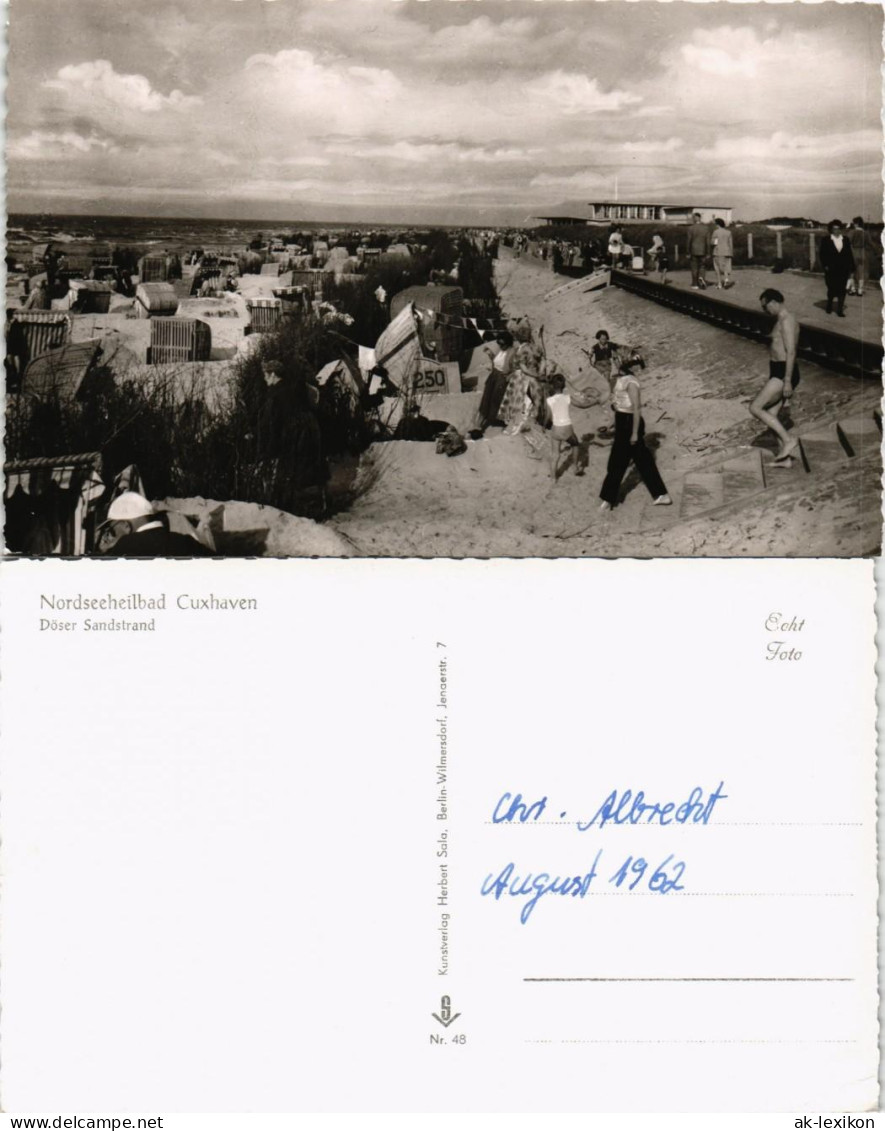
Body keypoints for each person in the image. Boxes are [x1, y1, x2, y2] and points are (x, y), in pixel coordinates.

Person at [599, 356, 671, 511]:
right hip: (622, 421)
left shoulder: (631, 382)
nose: (614, 363)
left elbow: (636, 409)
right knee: (641, 461)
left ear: (623, 365)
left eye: (617, 361)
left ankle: (608, 499)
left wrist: (634, 433)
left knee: (618, 461)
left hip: (630, 423)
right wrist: (613, 422)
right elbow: (620, 405)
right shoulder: (620, 379)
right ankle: (661, 495)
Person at [750, 289, 800, 462]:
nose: (765, 311)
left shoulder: (787, 320)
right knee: (771, 415)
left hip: (783, 371)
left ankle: (788, 440)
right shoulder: (780, 319)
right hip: (778, 370)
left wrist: (787, 381)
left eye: (765, 307)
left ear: (773, 302)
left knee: (755, 407)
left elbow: (791, 352)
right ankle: (784, 459)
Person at [100, 492, 212, 556]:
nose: (110, 537)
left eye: (111, 531)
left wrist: (106, 552)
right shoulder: (186, 542)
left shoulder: (125, 546)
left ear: (126, 525)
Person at [475, 330, 517, 432]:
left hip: (501, 378)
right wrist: (491, 355)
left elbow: (516, 368)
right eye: (499, 343)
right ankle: (479, 425)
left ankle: (491, 424)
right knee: (486, 399)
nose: (500, 346)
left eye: (502, 344)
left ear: (508, 342)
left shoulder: (513, 352)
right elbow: (497, 362)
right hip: (493, 376)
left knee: (495, 400)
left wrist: (509, 376)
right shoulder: (501, 350)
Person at [546, 373, 582, 481]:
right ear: (564, 386)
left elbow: (548, 417)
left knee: (555, 454)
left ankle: (553, 477)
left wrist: (545, 425)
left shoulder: (549, 400)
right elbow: (581, 404)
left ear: (552, 386)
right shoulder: (567, 398)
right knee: (575, 444)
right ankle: (575, 466)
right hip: (567, 429)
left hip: (556, 429)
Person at [819, 219, 854, 317]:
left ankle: (840, 310)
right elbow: (822, 254)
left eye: (838, 229)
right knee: (831, 288)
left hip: (843, 269)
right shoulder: (826, 240)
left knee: (842, 289)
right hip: (831, 269)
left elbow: (849, 254)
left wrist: (852, 267)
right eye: (834, 229)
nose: (837, 231)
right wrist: (825, 265)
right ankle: (829, 304)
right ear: (831, 230)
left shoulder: (845, 239)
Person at [847, 217, 872, 297]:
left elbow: (847, 242)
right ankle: (860, 290)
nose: (853, 224)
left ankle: (853, 289)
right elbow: (870, 243)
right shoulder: (866, 233)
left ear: (856, 223)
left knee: (851, 272)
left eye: (854, 223)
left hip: (853, 252)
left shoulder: (852, 232)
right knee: (861, 271)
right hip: (862, 252)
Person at [687, 212, 710, 289]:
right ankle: (701, 278)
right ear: (700, 218)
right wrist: (708, 252)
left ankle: (694, 284)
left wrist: (688, 252)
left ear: (694, 218)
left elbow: (689, 241)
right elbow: (708, 241)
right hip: (703, 250)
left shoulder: (691, 228)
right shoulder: (706, 228)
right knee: (702, 266)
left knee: (694, 267)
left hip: (693, 250)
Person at [711, 218, 733, 289]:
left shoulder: (716, 232)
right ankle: (726, 278)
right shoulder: (728, 232)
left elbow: (713, 242)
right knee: (726, 267)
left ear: (717, 224)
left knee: (717, 268)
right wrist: (731, 253)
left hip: (718, 252)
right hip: (727, 252)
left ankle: (719, 284)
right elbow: (731, 244)